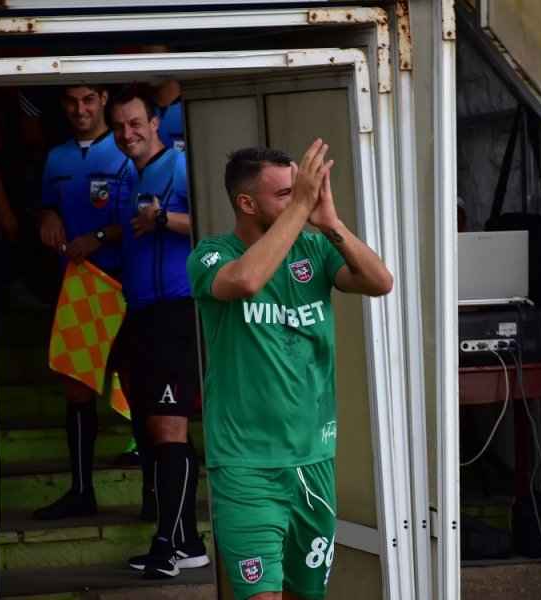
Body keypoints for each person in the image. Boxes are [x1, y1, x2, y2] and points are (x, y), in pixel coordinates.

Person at [186, 140, 393, 599]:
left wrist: (331, 222)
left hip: (312, 461)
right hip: (245, 467)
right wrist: (301, 207)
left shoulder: (315, 250)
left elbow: (380, 282)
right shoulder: (211, 254)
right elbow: (246, 280)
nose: (301, 199)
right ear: (246, 203)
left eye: (299, 190)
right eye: (285, 193)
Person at [106, 87, 209, 579]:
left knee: (170, 429)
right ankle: (188, 542)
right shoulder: (131, 175)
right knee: (151, 430)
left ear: (154, 122)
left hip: (177, 314)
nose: (127, 133)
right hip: (141, 315)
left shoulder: (181, 166)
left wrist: (163, 217)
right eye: (118, 126)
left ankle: (166, 546)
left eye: (135, 123)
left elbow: (216, 225)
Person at [33, 83, 133, 520]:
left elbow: (142, 216)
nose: (80, 109)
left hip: (125, 283)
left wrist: (98, 237)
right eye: (72, 101)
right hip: (78, 285)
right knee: (76, 385)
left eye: (89, 99)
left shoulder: (127, 149)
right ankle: (81, 491)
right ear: (62, 104)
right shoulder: (56, 157)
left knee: (137, 384)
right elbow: (46, 205)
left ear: (104, 99)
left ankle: (155, 496)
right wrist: (48, 215)